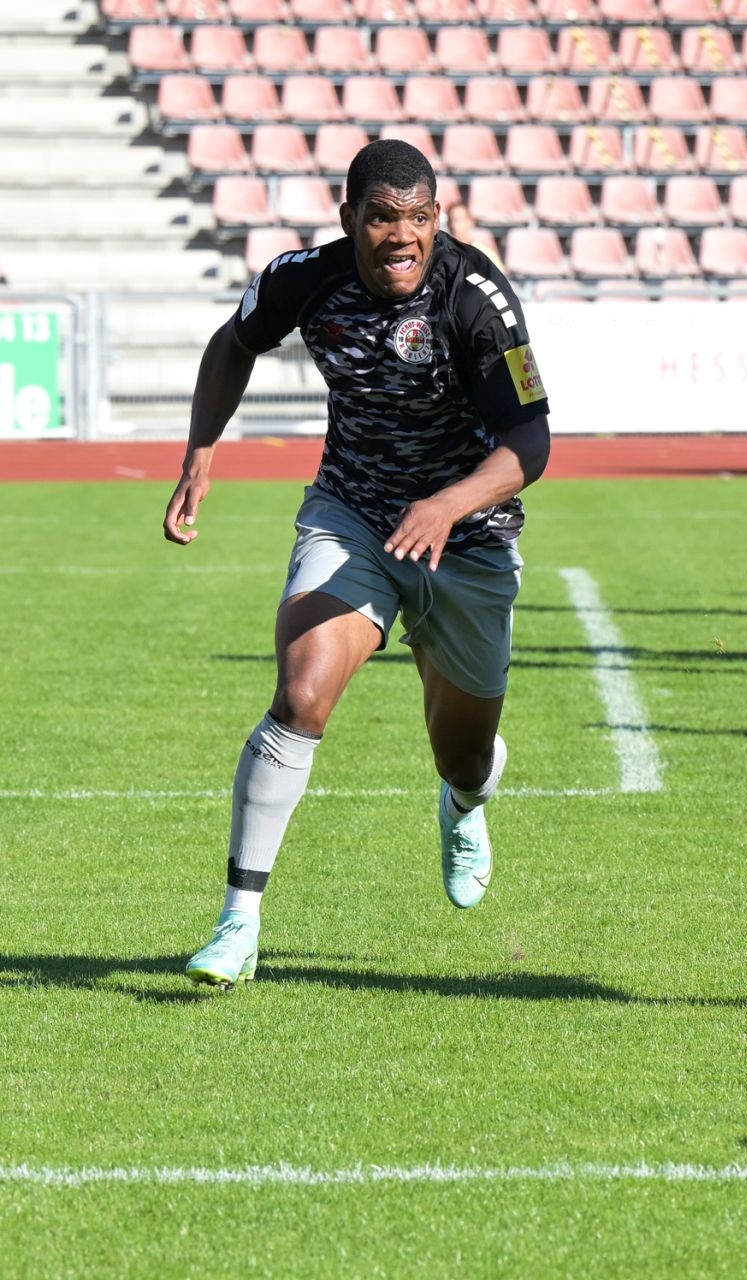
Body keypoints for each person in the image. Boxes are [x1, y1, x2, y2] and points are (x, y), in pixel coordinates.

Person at [164, 139, 551, 987]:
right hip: (353, 515)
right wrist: (201, 452)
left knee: (464, 755)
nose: (401, 236)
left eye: (418, 218)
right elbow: (232, 344)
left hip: (470, 538)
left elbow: (531, 441)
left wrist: (448, 504)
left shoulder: (477, 296)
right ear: (350, 220)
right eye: (381, 218)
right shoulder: (305, 278)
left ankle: (465, 801)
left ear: (437, 219)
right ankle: (237, 924)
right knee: (302, 692)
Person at [444, 201, 501, 269]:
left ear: (471, 221)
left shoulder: (484, 251)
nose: (454, 225)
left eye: (460, 219)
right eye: (452, 220)